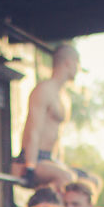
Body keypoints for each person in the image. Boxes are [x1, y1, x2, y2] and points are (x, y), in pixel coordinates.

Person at [13, 44, 80, 191]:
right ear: (68, 63)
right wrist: (30, 167)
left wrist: (60, 163)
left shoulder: (64, 97)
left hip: (50, 159)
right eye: (77, 63)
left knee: (88, 181)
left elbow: (58, 136)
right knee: (67, 178)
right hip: (33, 158)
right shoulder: (44, 90)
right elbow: (34, 130)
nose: (78, 68)